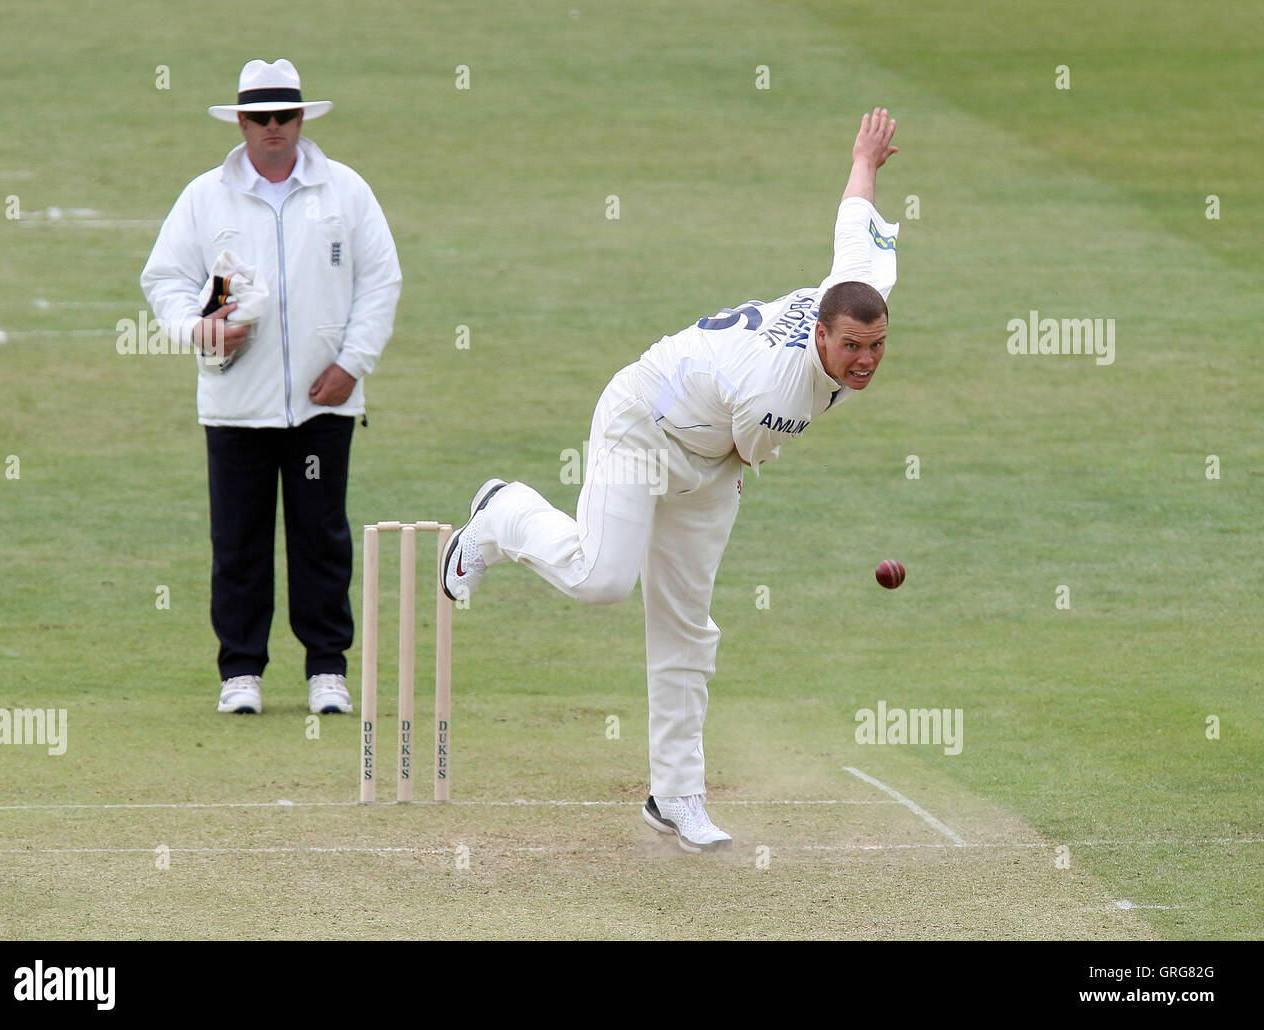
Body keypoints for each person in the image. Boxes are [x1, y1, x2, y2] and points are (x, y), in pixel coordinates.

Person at [440, 109, 901, 852]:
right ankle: (503, 514)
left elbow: (855, 223)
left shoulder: (858, 288)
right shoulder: (777, 395)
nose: (866, 360)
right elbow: (748, 455)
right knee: (602, 580)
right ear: (820, 332)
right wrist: (730, 469)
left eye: (877, 345)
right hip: (644, 427)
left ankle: (675, 795)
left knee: (688, 627)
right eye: (852, 347)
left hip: (711, 453)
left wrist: (865, 159)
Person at [141, 59, 402, 716]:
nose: (273, 129)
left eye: (285, 116)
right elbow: (165, 281)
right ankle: (241, 672)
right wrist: (198, 334)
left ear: (301, 119)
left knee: (321, 537)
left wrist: (353, 363)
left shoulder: (345, 192)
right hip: (235, 403)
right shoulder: (205, 196)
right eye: (260, 118)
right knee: (238, 540)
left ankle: (327, 671)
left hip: (323, 401)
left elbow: (381, 281)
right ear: (240, 122)